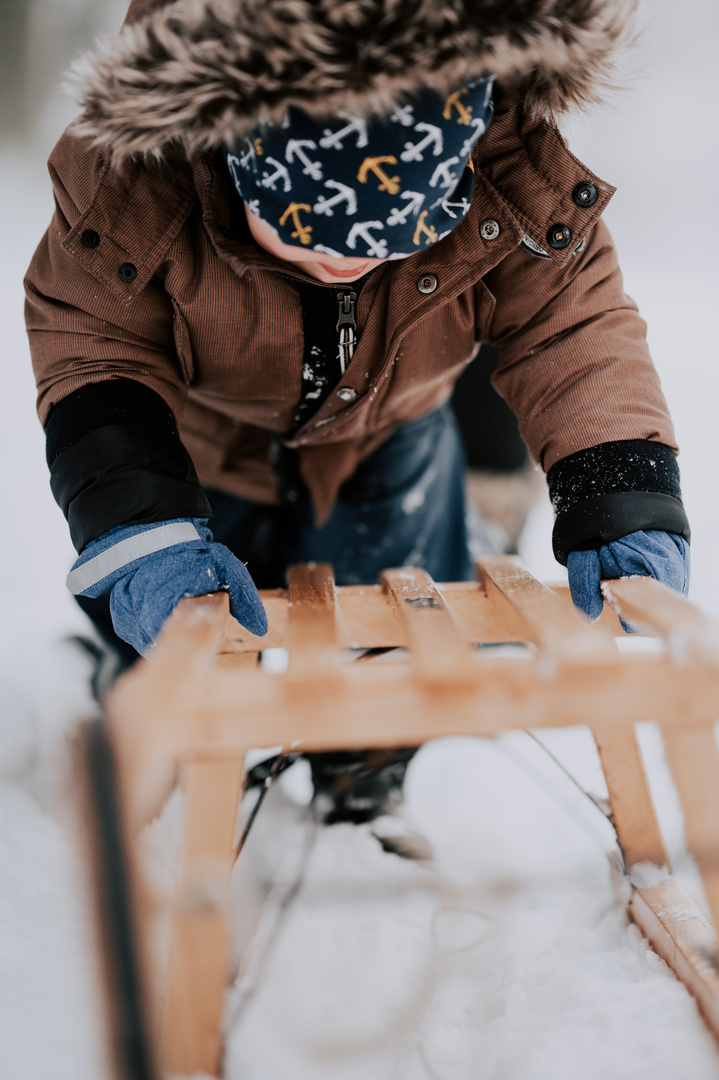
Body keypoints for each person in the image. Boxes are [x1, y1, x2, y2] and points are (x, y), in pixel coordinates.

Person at [25, 0, 690, 824]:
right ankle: (153, 706)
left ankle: (364, 770)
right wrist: (142, 529)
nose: (344, 259)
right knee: (163, 615)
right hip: (193, 447)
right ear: (233, 152)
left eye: (387, 236)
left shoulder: (507, 177)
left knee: (394, 621)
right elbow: (94, 344)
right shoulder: (137, 183)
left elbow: (573, 328)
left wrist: (621, 487)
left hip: (388, 438)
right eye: (305, 233)